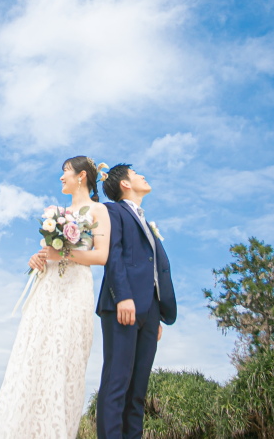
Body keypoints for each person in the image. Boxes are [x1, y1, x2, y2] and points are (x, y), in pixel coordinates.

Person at [0, 156, 111, 439]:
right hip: (47, 288)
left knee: (62, 356)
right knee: (32, 356)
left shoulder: (99, 210)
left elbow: (101, 256)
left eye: (65, 172)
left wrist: (61, 253)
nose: (61, 177)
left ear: (81, 176)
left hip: (74, 290)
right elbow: (50, 252)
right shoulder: (59, 212)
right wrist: (38, 257)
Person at [96, 164, 177, 439]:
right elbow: (113, 254)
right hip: (123, 304)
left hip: (150, 310)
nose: (143, 175)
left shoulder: (145, 220)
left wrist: (157, 314)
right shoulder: (113, 211)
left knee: (138, 391)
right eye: (136, 173)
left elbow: (155, 267)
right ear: (125, 184)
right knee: (117, 382)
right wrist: (124, 297)